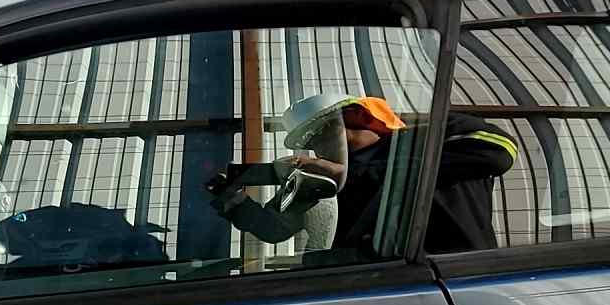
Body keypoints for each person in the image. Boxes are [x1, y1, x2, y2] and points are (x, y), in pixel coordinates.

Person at [211, 93, 518, 255]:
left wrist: (352, 173)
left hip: (454, 274)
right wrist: (235, 204)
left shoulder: (435, 134)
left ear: (358, 115)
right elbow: (275, 229)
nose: (315, 146)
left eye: (319, 132)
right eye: (308, 142)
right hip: (373, 288)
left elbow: (499, 152)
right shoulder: (322, 179)